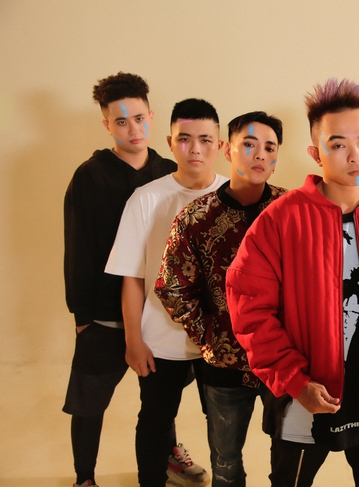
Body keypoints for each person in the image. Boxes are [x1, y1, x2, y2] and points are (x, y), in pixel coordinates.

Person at [225, 78, 359, 487]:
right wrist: (294, 380)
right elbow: (250, 309)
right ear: (315, 153)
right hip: (303, 400)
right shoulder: (279, 221)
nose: (355, 155)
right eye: (338, 144)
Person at [155, 111, 287, 486]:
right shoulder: (196, 218)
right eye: (249, 144)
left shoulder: (292, 211)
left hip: (285, 360)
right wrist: (211, 336)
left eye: (269, 148)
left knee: (287, 461)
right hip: (224, 365)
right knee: (226, 464)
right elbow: (172, 286)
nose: (260, 155)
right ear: (228, 149)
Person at [62, 72, 177, 487]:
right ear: (107, 124)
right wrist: (83, 317)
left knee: (160, 403)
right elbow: (78, 248)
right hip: (105, 314)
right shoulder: (90, 176)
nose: (134, 129)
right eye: (122, 121)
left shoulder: (169, 171)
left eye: (140, 119)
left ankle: (170, 457)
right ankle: (85, 477)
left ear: (152, 116)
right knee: (88, 404)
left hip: (160, 313)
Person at [106, 98, 228, 487]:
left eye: (205, 140)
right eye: (185, 139)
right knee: (156, 420)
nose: (195, 149)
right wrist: (133, 339)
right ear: (170, 142)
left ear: (220, 145)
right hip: (160, 339)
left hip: (221, 339)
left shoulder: (235, 196)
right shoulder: (146, 198)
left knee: (223, 425)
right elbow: (131, 276)